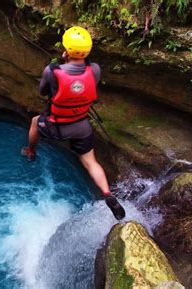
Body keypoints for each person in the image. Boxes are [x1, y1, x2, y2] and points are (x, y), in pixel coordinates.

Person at [21, 26, 125, 220]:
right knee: (91, 162)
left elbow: (43, 92)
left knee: (35, 121)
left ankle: (30, 151)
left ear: (66, 49)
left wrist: (60, 65)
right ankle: (108, 194)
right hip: (81, 126)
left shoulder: (52, 71)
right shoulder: (94, 70)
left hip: (56, 126)